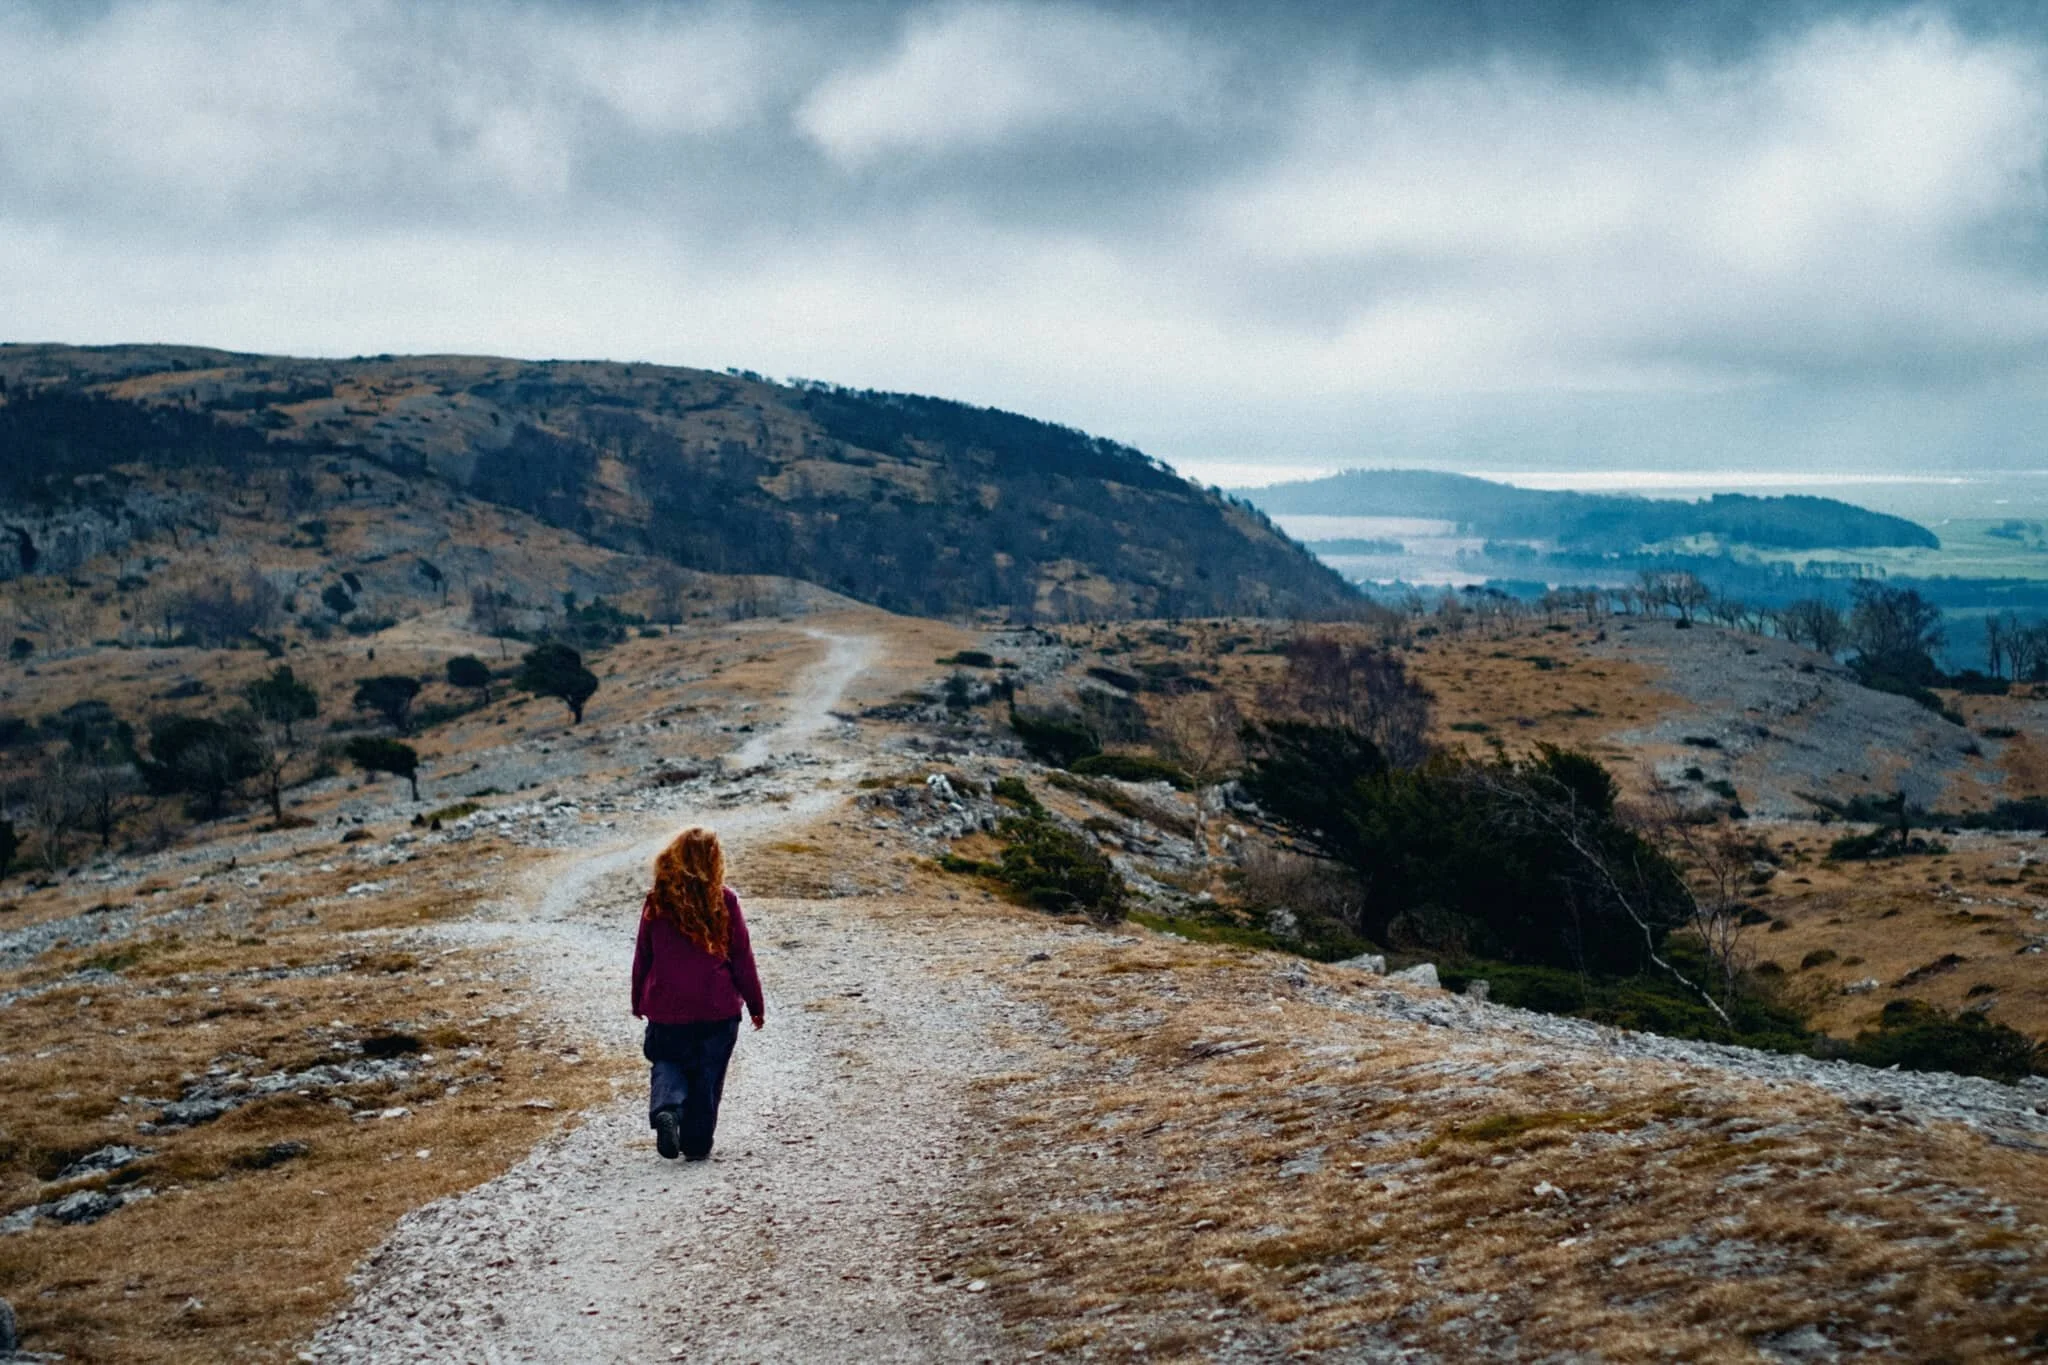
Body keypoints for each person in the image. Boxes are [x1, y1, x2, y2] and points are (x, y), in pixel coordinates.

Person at [629, 827, 764, 1161]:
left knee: (668, 1059)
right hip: (716, 1008)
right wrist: (755, 1005)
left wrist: (638, 999)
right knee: (708, 1074)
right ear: (714, 859)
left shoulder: (657, 900)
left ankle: (668, 1108)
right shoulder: (724, 899)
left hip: (667, 1006)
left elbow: (643, 955)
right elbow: (742, 957)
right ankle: (696, 1141)